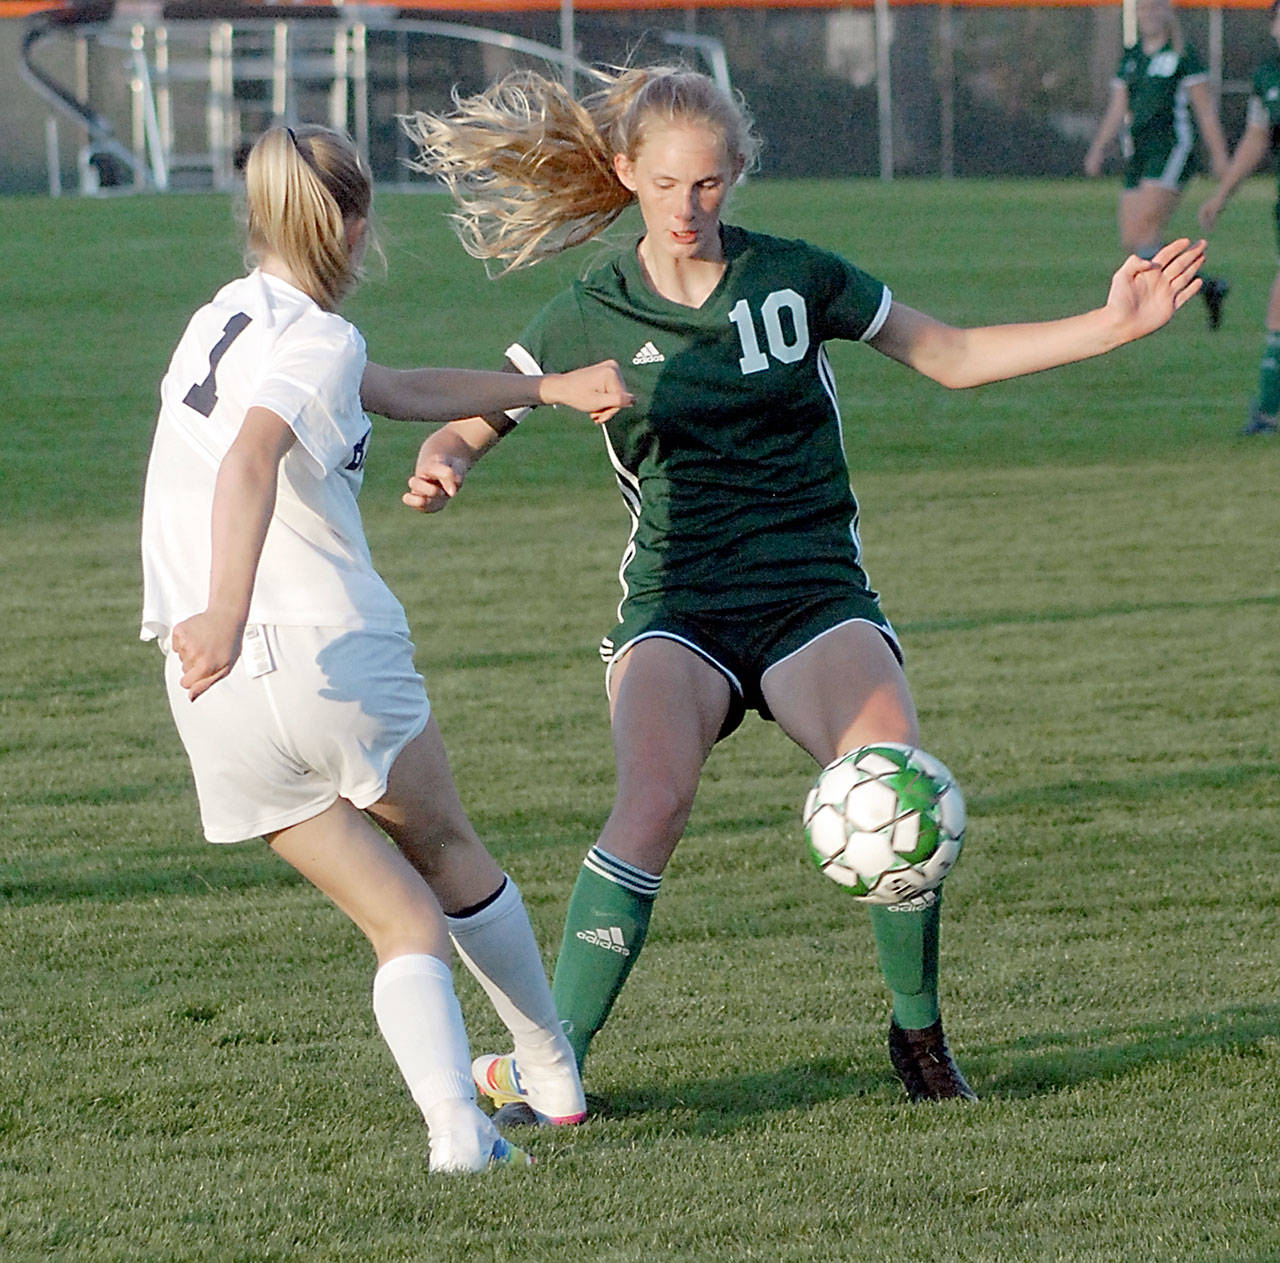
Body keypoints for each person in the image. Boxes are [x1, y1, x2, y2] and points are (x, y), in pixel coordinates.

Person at [400, 68, 1205, 1113]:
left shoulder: (793, 278)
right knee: (650, 804)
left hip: (810, 595)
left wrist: (1108, 327)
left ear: (734, 175)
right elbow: (471, 417)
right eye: (666, 184)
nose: (688, 208)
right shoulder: (588, 310)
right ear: (624, 175)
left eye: (708, 184)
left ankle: (917, 1040)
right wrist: (445, 463)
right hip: (676, 605)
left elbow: (948, 355)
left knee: (894, 781)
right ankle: (557, 1070)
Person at [139, 124, 634, 1171]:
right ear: (355, 227)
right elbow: (250, 461)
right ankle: (548, 1073)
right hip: (323, 651)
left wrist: (541, 388)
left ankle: (460, 1135)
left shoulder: (221, 322)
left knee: (399, 919)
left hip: (209, 693)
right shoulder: (320, 339)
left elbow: (388, 387)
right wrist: (233, 605)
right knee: (447, 854)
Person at [1084, 0, 1230, 328]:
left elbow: (1205, 111)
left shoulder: (1182, 55)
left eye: (1155, 7)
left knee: (1148, 232)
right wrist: (1098, 147)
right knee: (1134, 241)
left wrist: (1221, 159)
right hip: (1138, 153)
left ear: (1167, 11)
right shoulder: (1133, 57)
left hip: (1170, 151)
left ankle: (1152, 305)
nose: (1148, 13)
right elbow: (1117, 107)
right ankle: (1207, 285)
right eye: (1143, 8)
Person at [1198, 0, 1280, 435]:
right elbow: (1256, 137)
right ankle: (1267, 412)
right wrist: (1222, 195)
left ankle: (1267, 411)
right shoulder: (1268, 77)